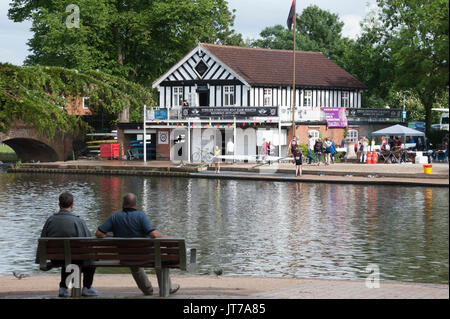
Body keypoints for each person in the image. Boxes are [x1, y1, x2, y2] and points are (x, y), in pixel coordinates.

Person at [95, 193, 180, 296]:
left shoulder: (115, 216)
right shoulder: (140, 216)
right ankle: (167, 287)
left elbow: (99, 233)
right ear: (135, 204)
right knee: (159, 259)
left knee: (134, 264)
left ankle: (147, 290)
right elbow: (153, 234)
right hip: (146, 256)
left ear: (123, 204)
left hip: (125, 257)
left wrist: (112, 238)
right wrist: (165, 237)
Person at [36, 192, 98, 297]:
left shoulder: (50, 220)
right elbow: (88, 242)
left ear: (59, 205)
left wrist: (41, 260)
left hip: (56, 258)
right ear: (72, 205)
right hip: (75, 258)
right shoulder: (78, 221)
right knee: (90, 256)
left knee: (67, 256)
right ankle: (87, 287)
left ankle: (63, 288)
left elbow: (42, 241)